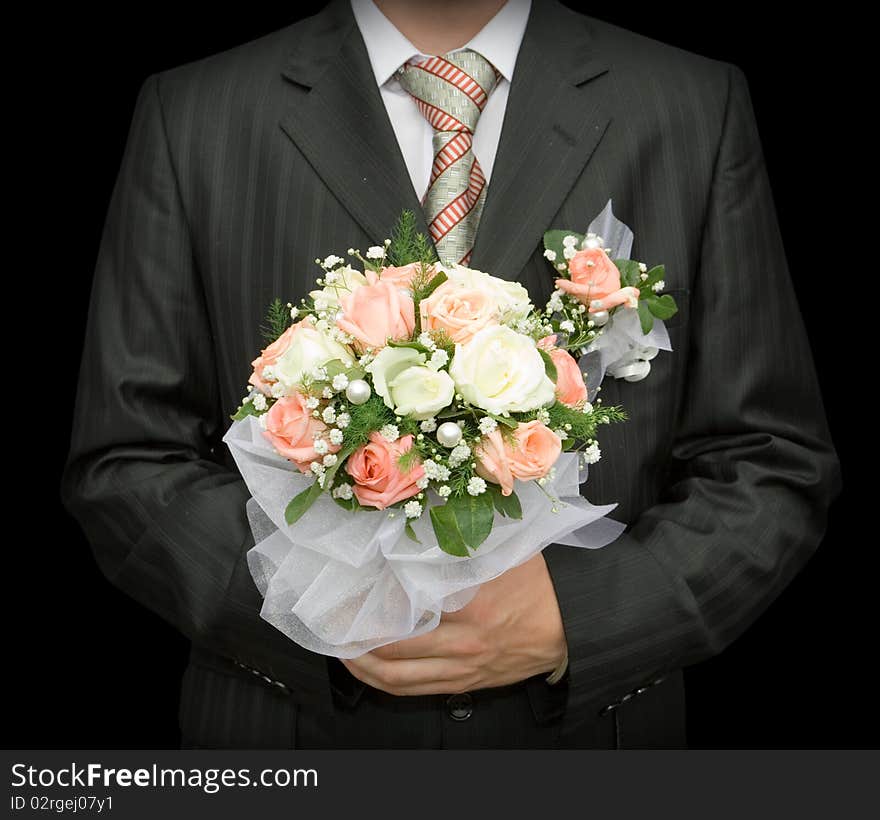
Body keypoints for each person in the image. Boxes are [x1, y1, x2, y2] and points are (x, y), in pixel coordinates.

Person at [60, 0, 841, 749]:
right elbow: (126, 459)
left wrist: (583, 617)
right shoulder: (195, 111)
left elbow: (770, 459)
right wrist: (320, 609)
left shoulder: (687, 103)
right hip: (288, 737)